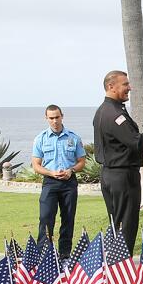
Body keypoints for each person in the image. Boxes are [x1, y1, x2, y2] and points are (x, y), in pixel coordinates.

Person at [93, 69, 143, 255]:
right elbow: (137, 143)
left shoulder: (102, 111)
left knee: (117, 224)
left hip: (110, 174)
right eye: (125, 84)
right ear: (111, 86)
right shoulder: (114, 114)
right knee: (126, 225)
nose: (129, 88)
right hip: (122, 176)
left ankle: (116, 270)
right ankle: (121, 272)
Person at [31, 105, 87, 259]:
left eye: (57, 117)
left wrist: (71, 170)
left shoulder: (73, 138)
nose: (54, 121)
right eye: (51, 118)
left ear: (62, 116)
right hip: (50, 182)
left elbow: (82, 162)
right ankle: (43, 254)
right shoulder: (41, 138)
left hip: (69, 183)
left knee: (68, 218)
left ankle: (64, 253)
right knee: (46, 217)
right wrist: (50, 172)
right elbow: (36, 165)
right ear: (46, 118)